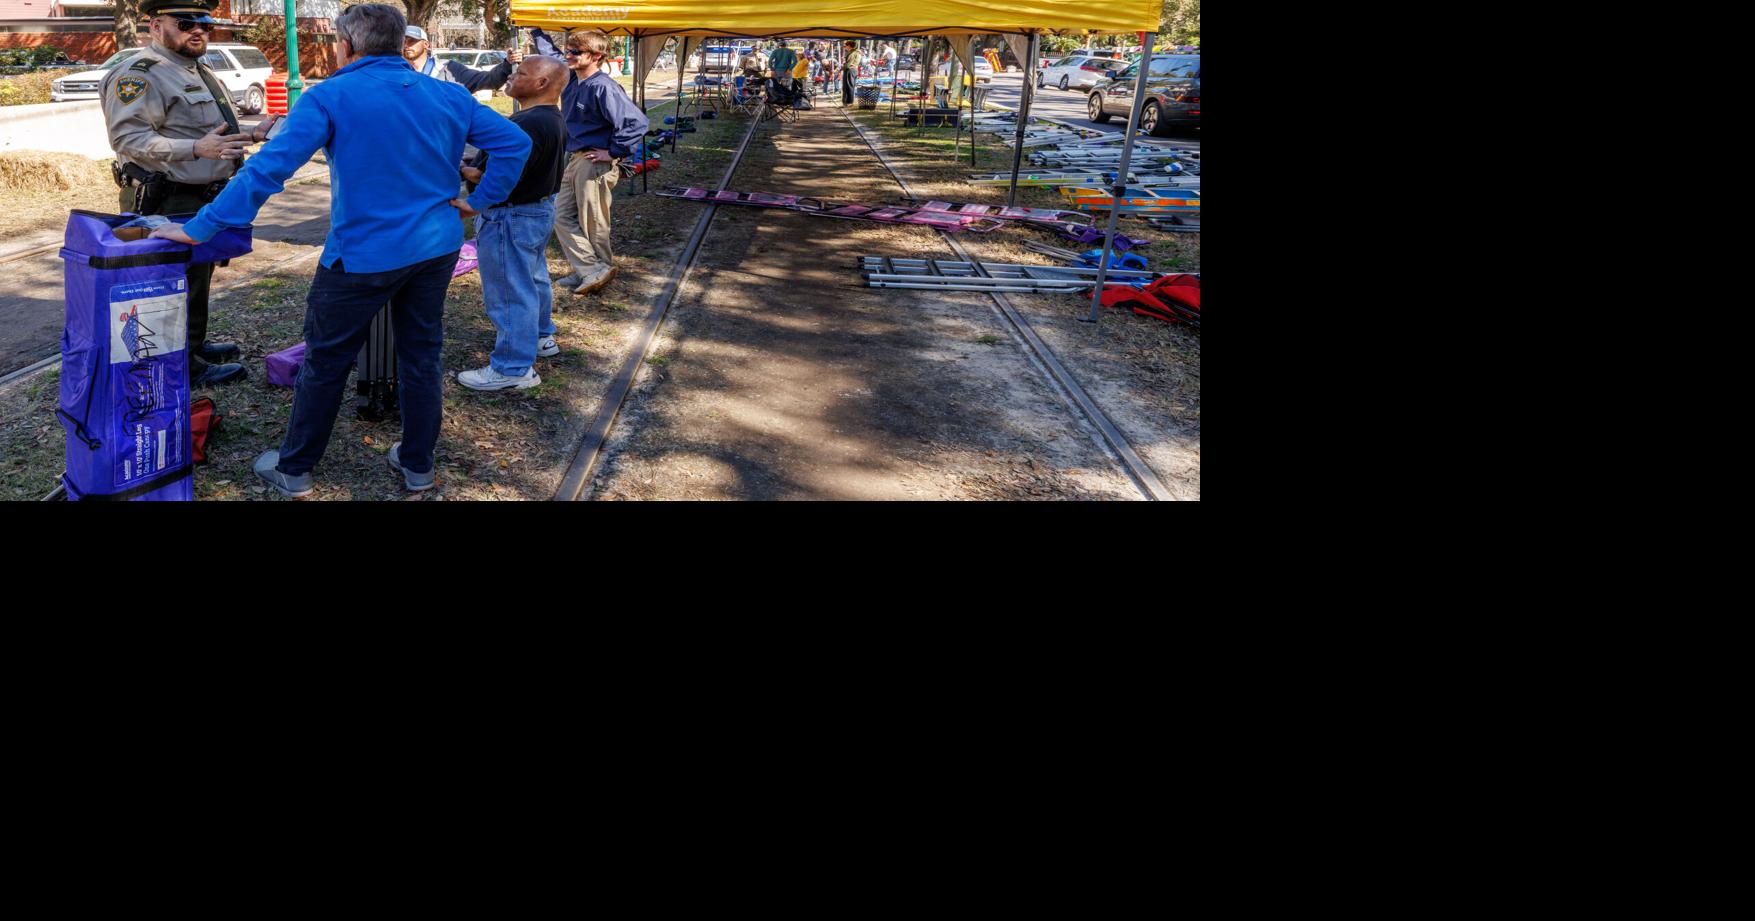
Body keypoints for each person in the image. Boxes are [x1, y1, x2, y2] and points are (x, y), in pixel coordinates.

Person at [150, 3, 532, 497]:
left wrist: (198, 229)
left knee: (326, 361)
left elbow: (268, 171)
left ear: (345, 46)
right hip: (436, 247)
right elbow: (513, 143)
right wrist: (482, 199)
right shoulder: (447, 95)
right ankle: (418, 464)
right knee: (422, 355)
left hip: (361, 257)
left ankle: (295, 469)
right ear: (400, 44)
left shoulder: (329, 94)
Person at [101, 0, 265, 386]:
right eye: (186, 23)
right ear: (156, 26)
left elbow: (210, 132)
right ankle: (181, 365)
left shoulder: (195, 69)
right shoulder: (140, 74)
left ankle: (193, 343)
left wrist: (251, 135)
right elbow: (127, 138)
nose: (198, 31)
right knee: (169, 281)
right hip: (166, 195)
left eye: (204, 25)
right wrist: (194, 150)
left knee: (198, 274)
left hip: (199, 193)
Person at [455, 55, 569, 391]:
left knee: (509, 290)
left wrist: (470, 176)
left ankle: (512, 368)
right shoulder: (548, 118)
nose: (511, 76)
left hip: (511, 215)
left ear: (542, 83)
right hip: (535, 210)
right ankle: (540, 337)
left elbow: (505, 176)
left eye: (520, 73)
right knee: (533, 279)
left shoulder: (528, 122)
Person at [529, 28, 649, 297]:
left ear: (596, 56)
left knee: (593, 221)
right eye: (568, 50)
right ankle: (590, 269)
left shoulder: (603, 87)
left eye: (575, 52)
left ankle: (598, 271)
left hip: (595, 161)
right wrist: (535, 30)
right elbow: (551, 54)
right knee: (560, 215)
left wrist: (614, 152)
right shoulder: (572, 78)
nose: (568, 55)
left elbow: (636, 123)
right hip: (576, 158)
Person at [401, 24, 516, 93]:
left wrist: (508, 63)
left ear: (426, 44)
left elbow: (488, 80)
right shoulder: (392, 72)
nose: (406, 45)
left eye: (412, 41)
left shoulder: (448, 70)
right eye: (403, 41)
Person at [841, 40, 861, 105]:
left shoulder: (853, 53)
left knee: (849, 86)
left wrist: (841, 69)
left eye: (845, 46)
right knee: (849, 86)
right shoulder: (854, 52)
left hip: (850, 70)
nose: (845, 47)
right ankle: (848, 101)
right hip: (852, 70)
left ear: (849, 46)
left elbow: (849, 64)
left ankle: (849, 102)